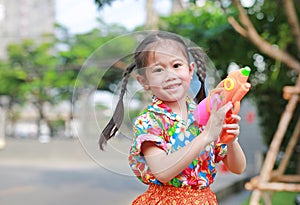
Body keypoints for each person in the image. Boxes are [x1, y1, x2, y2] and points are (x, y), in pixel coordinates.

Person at [99, 31, 246, 204]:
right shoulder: (150, 120)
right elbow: (162, 171)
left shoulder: (205, 113)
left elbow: (238, 168)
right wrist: (206, 135)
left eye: (176, 66)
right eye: (159, 69)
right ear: (144, 81)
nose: (170, 75)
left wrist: (230, 139)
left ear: (190, 70)